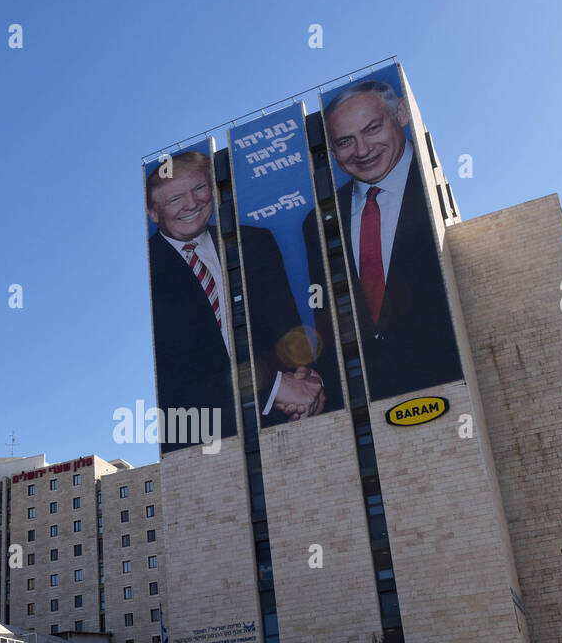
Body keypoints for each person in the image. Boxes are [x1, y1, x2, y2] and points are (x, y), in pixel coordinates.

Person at [147, 150, 328, 450]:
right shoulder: (151, 265)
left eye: (200, 188)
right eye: (175, 199)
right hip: (208, 439)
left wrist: (308, 379)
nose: (192, 204)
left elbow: (290, 329)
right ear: (154, 214)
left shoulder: (255, 242)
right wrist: (275, 390)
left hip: (288, 422)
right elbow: (179, 372)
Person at [303, 79, 463, 402]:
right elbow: (327, 324)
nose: (362, 151)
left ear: (401, 113)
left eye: (372, 128)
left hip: (449, 391)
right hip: (369, 401)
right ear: (332, 151)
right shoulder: (317, 223)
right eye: (345, 141)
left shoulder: (427, 185)